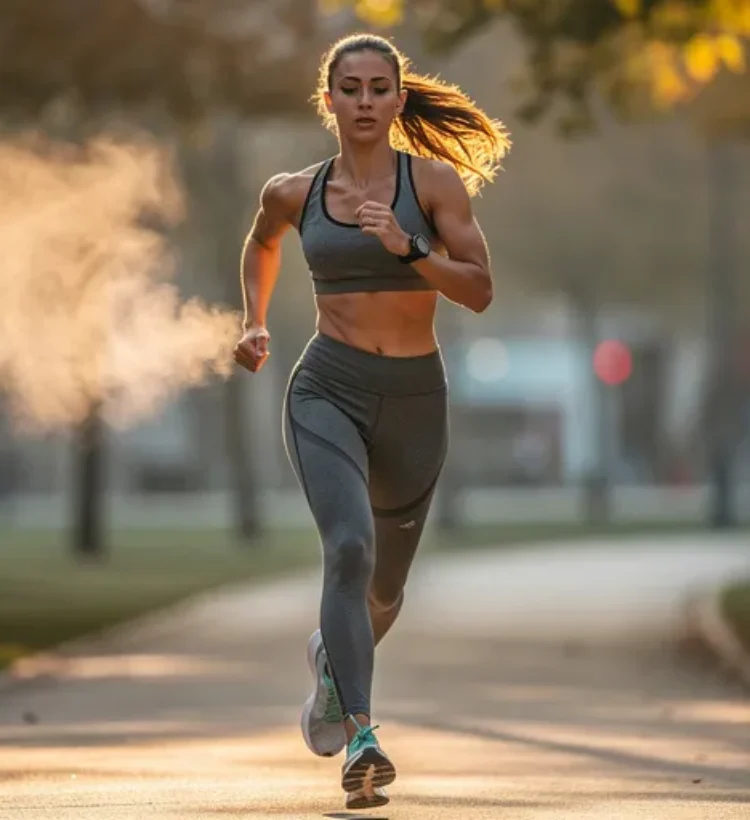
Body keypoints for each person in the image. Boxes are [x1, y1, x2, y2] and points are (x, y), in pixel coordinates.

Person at [233, 32, 510, 810]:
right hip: (328, 388)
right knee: (349, 549)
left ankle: (333, 663)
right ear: (328, 101)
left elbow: (480, 290)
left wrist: (407, 246)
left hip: (415, 399)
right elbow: (260, 244)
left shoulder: (433, 185)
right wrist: (253, 320)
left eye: (377, 88)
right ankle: (361, 736)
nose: (363, 101)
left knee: (385, 591)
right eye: (349, 89)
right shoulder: (294, 192)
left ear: (397, 98)